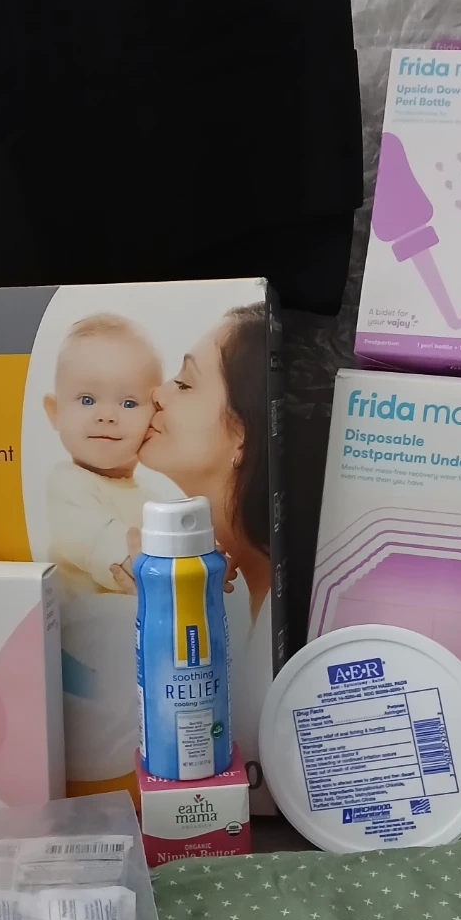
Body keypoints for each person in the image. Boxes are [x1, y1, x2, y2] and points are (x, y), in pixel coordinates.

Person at [113, 302, 272, 768]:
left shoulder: (276, 620)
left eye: (184, 383)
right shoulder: (239, 595)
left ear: (243, 434)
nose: (156, 393)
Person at [43, 313, 162, 594]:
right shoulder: (67, 484)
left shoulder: (151, 498)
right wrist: (157, 570)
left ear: (156, 417)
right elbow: (97, 539)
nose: (106, 415)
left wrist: (198, 561)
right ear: (55, 412)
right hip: (85, 616)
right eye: (87, 400)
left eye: (129, 403)